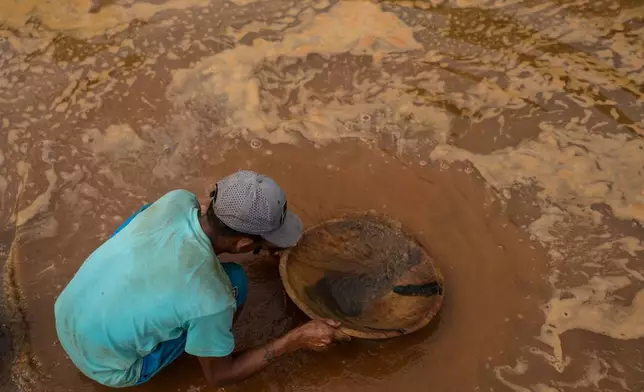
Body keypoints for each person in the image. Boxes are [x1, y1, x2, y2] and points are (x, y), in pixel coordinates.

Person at [54, 170, 350, 388]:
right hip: (107, 367)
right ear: (245, 246)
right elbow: (221, 377)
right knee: (236, 283)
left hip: (65, 311)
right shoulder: (214, 298)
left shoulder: (176, 199)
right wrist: (296, 339)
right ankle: (205, 342)